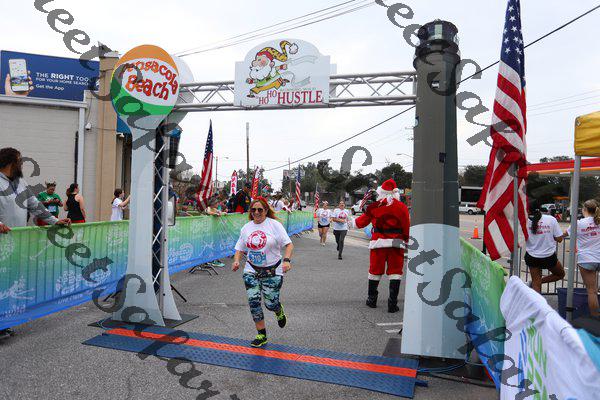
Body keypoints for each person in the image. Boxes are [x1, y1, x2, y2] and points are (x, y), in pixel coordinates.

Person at [0, 147, 70, 339]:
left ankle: (4, 322)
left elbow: (35, 206)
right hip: (1, 243)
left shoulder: (21, 183)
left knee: (9, 283)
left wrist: (55, 221)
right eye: (19, 161)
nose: (22, 164)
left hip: (15, 244)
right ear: (10, 162)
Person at [232, 196, 293, 347]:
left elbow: (289, 245)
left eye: (260, 209)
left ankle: (278, 310)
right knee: (253, 302)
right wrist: (236, 260)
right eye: (253, 210)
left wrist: (286, 260)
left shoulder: (274, 225)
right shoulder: (246, 227)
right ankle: (261, 335)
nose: (257, 212)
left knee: (270, 303)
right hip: (251, 270)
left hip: (272, 270)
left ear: (266, 210)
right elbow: (239, 247)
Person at [354, 179, 410, 313]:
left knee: (375, 271)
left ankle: (372, 300)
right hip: (396, 244)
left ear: (381, 192)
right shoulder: (402, 207)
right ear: (395, 193)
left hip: (378, 243)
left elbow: (361, 222)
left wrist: (351, 222)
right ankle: (392, 304)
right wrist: (407, 240)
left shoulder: (375, 206)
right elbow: (406, 226)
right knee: (395, 272)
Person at [565, 199, 600, 316]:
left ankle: (595, 319)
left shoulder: (578, 223)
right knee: (594, 289)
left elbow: (563, 235)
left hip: (586, 259)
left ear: (584, 209)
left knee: (591, 292)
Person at [524, 200, 565, 294]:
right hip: (548, 256)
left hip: (532, 256)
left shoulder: (524, 221)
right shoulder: (551, 219)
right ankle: (535, 282)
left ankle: (535, 286)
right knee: (560, 274)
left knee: (536, 283)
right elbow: (559, 239)